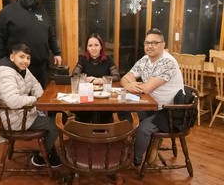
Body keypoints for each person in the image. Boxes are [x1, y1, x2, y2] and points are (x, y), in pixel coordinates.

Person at [118, 28, 184, 167]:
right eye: (147, 43)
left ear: (163, 44)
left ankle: (135, 160)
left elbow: (147, 88)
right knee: (123, 114)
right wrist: (128, 85)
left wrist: (130, 85)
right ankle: (132, 147)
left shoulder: (168, 62)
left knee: (143, 128)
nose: (150, 46)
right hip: (150, 105)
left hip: (169, 110)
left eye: (154, 42)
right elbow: (125, 78)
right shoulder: (145, 59)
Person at [0, 42, 61, 168]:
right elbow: (13, 101)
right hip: (15, 119)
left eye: (28, 58)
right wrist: (35, 100)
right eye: (21, 57)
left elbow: (35, 84)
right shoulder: (6, 74)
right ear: (12, 57)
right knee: (57, 124)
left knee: (57, 116)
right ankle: (40, 157)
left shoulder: (21, 69)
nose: (25, 61)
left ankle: (47, 147)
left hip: (23, 113)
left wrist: (40, 97)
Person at [0, 0, 62, 88]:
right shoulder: (8, 11)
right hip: (16, 69)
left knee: (39, 99)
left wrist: (57, 53)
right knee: (20, 101)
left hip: (40, 68)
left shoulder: (42, 12)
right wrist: (1, 62)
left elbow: (50, 34)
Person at [72, 33, 120, 123]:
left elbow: (117, 77)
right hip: (86, 96)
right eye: (90, 45)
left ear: (101, 46)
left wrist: (101, 80)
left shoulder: (108, 59)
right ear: (87, 48)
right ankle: (84, 131)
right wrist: (84, 78)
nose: (93, 48)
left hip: (104, 97)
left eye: (96, 45)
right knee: (83, 116)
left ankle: (103, 131)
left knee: (103, 117)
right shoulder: (83, 60)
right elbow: (74, 75)